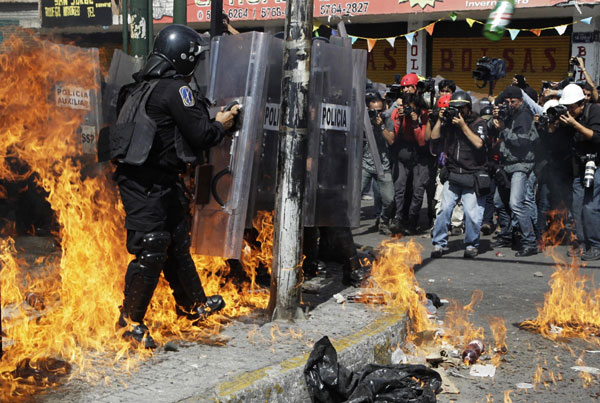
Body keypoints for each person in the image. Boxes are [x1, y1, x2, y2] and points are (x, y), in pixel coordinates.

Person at [112, 25, 238, 348]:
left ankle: (192, 306)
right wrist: (221, 125)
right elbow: (201, 134)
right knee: (152, 246)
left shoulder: (137, 88)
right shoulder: (175, 89)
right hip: (146, 184)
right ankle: (129, 322)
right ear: (182, 58)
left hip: (153, 179)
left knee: (177, 241)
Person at [430, 91, 489, 258]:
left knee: (472, 214)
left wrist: (463, 126)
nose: (456, 112)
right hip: (454, 173)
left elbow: (479, 143)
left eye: (460, 108)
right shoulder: (449, 123)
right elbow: (434, 138)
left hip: (472, 175)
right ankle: (439, 244)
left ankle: (471, 244)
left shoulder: (478, 123)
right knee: (444, 210)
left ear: (468, 108)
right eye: (453, 108)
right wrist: (441, 120)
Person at [490, 86, 540, 257]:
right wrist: (495, 117)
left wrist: (503, 129)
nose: (510, 105)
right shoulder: (507, 114)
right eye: (507, 102)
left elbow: (522, 143)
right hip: (506, 165)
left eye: (513, 102)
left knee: (516, 204)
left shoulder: (524, 116)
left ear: (521, 101)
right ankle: (506, 235)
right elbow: (491, 127)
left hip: (521, 165)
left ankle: (530, 241)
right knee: (498, 202)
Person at [558, 84, 600, 260]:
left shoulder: (595, 111)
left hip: (596, 165)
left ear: (582, 103)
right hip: (580, 167)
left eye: (572, 106)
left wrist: (574, 124)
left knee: (590, 207)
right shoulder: (570, 117)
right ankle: (582, 243)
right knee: (577, 207)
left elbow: (597, 136)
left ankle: (596, 245)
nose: (569, 110)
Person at [362, 92, 395, 235]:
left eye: (380, 111)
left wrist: (381, 126)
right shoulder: (362, 120)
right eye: (374, 111)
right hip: (365, 164)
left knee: (389, 199)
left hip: (383, 166)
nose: (377, 114)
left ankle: (383, 221)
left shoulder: (387, 119)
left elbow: (391, 140)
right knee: (354, 196)